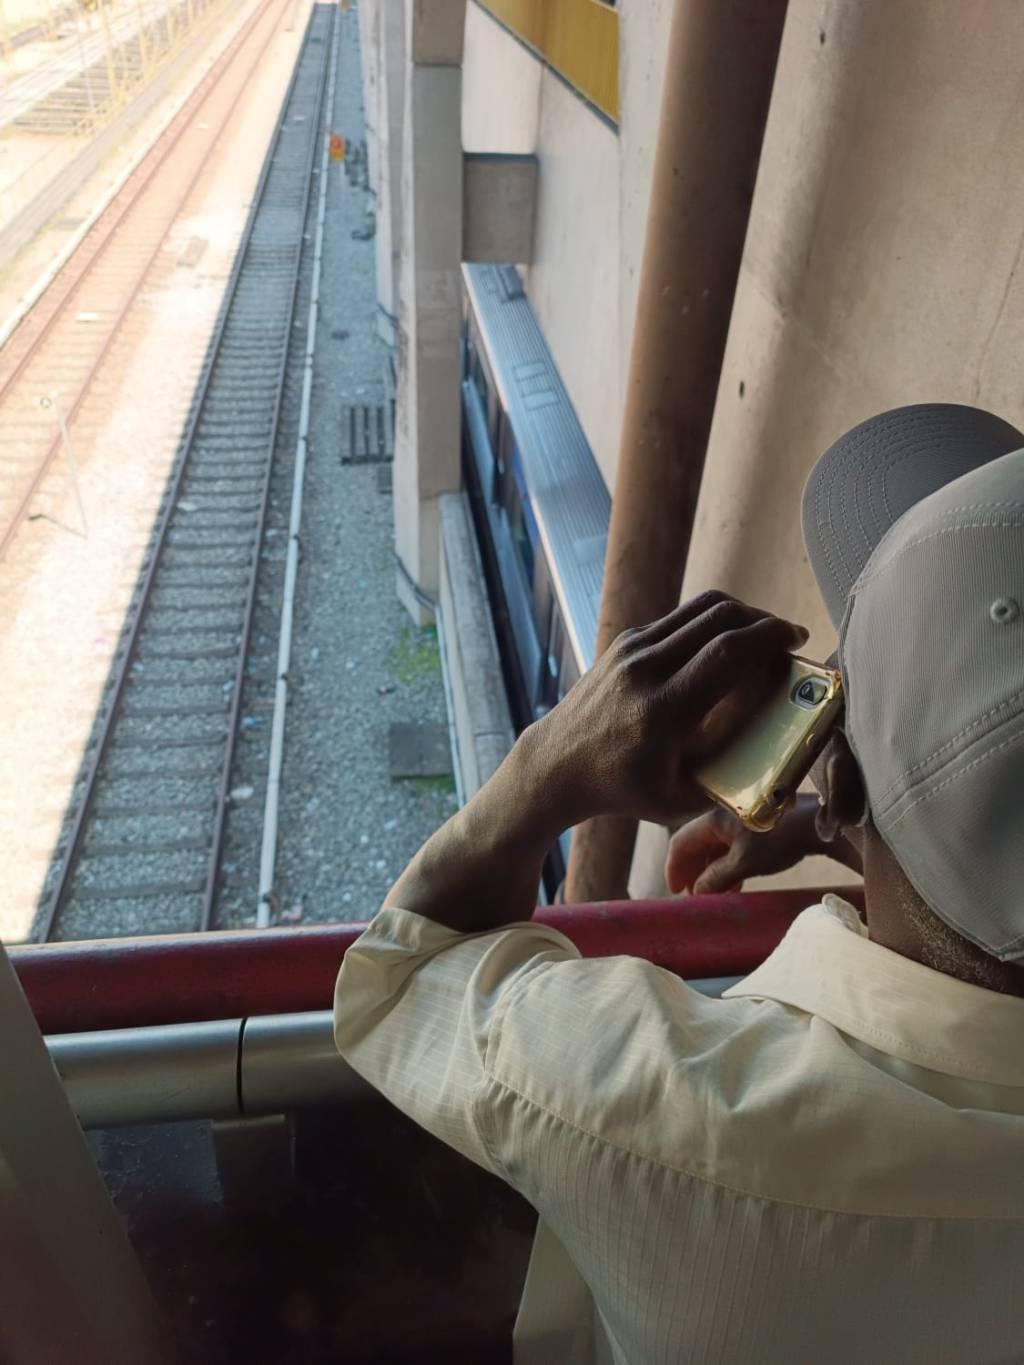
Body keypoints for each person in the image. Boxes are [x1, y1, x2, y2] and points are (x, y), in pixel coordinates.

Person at [333, 404, 1024, 1364]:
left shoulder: (664, 1108)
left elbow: (403, 976)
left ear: (835, 781)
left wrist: (550, 762)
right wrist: (878, 842)